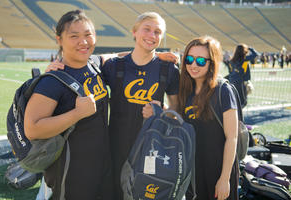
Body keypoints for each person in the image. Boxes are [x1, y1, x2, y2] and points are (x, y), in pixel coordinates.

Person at [24, 10, 113, 199]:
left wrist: (155, 55)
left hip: (102, 165)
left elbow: (115, 56)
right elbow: (32, 129)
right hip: (71, 172)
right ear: (59, 39)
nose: (83, 42)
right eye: (74, 36)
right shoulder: (52, 81)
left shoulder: (94, 63)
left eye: (88, 35)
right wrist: (76, 114)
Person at [102, 12, 180, 200]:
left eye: (157, 32)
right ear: (134, 32)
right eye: (147, 29)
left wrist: (161, 112)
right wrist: (58, 63)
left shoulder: (168, 69)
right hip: (115, 147)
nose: (152, 36)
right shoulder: (114, 66)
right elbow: (89, 62)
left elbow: (176, 109)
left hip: (151, 148)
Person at [177, 36, 239, 200]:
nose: (193, 65)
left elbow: (232, 138)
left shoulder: (223, 90)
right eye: (189, 59)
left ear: (212, 63)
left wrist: (225, 178)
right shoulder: (185, 92)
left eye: (200, 61)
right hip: (194, 173)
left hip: (219, 171)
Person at [228, 44, 258, 108]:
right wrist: (249, 48)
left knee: (234, 99)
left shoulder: (231, 60)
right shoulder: (244, 59)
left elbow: (230, 72)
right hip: (240, 82)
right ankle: (238, 115)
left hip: (232, 81)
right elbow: (255, 54)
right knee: (243, 102)